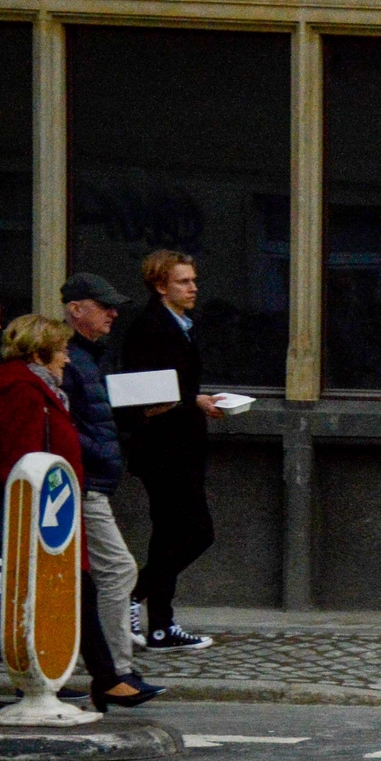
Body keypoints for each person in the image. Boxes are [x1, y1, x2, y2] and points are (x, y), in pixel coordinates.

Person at [0, 315, 160, 714]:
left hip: (52, 510)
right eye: (62, 350)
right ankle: (107, 679)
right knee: (70, 590)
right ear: (39, 351)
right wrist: (34, 506)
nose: (67, 359)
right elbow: (19, 456)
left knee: (11, 594)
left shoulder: (38, 387)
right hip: (36, 513)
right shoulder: (20, 389)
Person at [117, 249, 225, 651]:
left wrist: (194, 399)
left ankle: (161, 626)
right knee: (198, 532)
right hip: (163, 448)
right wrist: (191, 399)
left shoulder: (181, 325)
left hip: (183, 444)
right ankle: (132, 595)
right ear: (161, 286)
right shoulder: (150, 326)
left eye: (194, 280)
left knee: (167, 535)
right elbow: (142, 389)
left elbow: (174, 386)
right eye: (184, 281)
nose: (193, 287)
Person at [60, 273, 140, 682]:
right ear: (76, 309)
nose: (113, 313)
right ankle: (115, 671)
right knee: (117, 570)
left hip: (92, 479)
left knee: (87, 576)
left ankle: (97, 667)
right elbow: (65, 424)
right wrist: (99, 451)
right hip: (82, 481)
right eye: (103, 305)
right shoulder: (67, 357)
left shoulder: (90, 355)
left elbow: (98, 412)